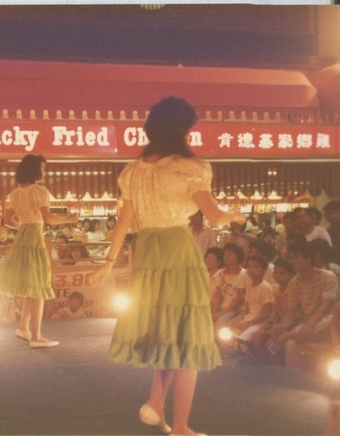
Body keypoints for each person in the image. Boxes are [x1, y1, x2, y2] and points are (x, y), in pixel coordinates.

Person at [89, 97, 245, 436]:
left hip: (146, 253)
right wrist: (235, 214)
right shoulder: (190, 167)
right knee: (187, 338)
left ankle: (157, 403)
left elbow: (123, 222)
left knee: (166, 333)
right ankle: (180, 427)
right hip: (177, 250)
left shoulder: (133, 171)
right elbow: (215, 217)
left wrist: (108, 263)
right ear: (184, 130)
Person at [0, 154, 78, 348]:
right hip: (35, 235)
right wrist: (68, 219)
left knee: (29, 285)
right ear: (35, 170)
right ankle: (36, 336)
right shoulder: (40, 191)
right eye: (42, 168)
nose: (44, 171)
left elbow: (7, 221)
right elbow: (47, 217)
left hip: (23, 236)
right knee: (39, 284)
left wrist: (24, 225)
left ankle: (23, 327)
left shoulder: (15, 193)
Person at [267, 240, 338, 373]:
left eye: (296, 257)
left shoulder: (328, 277)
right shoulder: (294, 283)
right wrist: (281, 326)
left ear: (309, 259)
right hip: (307, 322)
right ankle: (297, 379)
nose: (293, 261)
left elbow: (325, 307)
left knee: (316, 326)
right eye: (291, 258)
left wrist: (308, 325)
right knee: (290, 344)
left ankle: (290, 335)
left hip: (329, 321)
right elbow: (291, 313)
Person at [227, 254, 274, 351]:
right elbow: (247, 309)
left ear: (263, 270)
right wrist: (236, 320)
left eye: (256, 267)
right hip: (249, 319)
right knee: (228, 336)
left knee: (240, 344)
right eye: (249, 266)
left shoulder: (265, 288)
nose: (251, 269)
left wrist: (248, 323)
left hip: (260, 323)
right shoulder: (250, 286)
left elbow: (265, 314)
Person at [210, 243, 250, 328]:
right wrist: (214, 310)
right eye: (225, 254)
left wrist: (220, 314)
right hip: (221, 308)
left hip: (234, 310)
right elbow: (218, 295)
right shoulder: (221, 273)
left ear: (238, 256)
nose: (226, 257)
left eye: (230, 254)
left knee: (219, 324)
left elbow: (238, 301)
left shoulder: (245, 274)